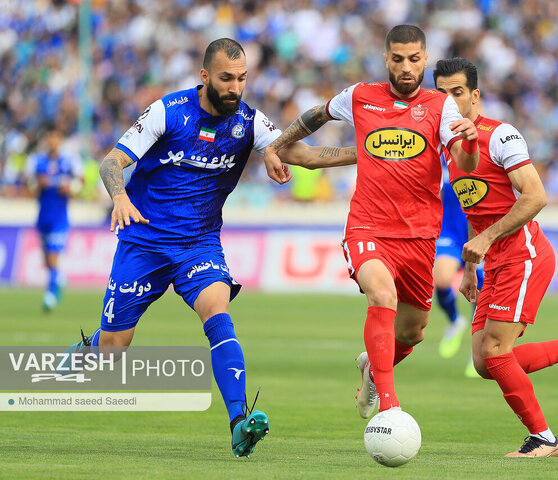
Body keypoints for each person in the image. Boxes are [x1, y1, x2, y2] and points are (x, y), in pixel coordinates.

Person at [62, 38, 356, 458]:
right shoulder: (168, 111)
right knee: (112, 354)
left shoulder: (249, 121)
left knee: (218, 313)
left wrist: (367, 153)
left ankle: (239, 421)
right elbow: (112, 162)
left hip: (198, 245)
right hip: (144, 241)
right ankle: (89, 349)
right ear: (204, 77)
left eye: (242, 79)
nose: (235, 87)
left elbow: (303, 154)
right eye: (226, 79)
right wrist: (120, 197)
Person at [264, 25, 480, 419]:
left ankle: (371, 368)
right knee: (382, 296)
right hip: (368, 227)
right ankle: (391, 407)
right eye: (397, 59)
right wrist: (276, 145)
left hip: (419, 236)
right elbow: (317, 114)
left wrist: (469, 140)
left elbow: (465, 166)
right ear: (387, 59)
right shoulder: (361, 95)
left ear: (425, 59)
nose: (406, 67)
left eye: (414, 59)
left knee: (412, 332)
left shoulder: (441, 106)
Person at [434, 57, 558, 457]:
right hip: (495, 261)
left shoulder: (501, 136)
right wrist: (470, 267)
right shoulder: (449, 148)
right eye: (441, 94)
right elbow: (474, 207)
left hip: (524, 255)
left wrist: (486, 240)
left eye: (457, 92)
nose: (449, 101)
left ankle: (543, 438)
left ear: (475, 96)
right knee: (485, 362)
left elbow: (536, 197)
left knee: (496, 353)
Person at [25, 128, 83, 311]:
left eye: (56, 138)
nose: (53, 141)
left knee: (52, 256)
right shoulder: (37, 161)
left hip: (60, 218)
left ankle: (50, 294)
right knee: (47, 258)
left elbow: (80, 183)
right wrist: (36, 185)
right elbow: (28, 185)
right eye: (50, 138)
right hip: (43, 217)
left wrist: (71, 188)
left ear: (60, 140)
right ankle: (57, 279)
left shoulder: (69, 161)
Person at [434, 159, 484, 372]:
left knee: (480, 294)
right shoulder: (441, 154)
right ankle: (455, 321)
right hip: (450, 231)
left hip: (481, 230)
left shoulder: (485, 152)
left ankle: (478, 353)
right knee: (442, 279)